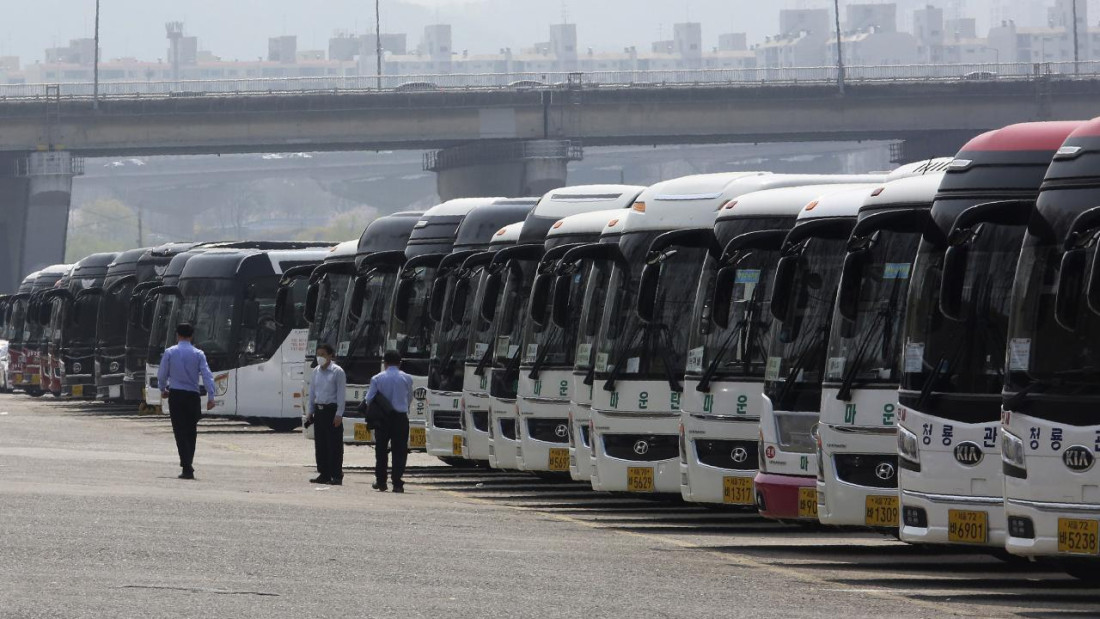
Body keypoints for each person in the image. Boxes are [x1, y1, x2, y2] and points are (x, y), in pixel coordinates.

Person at [158, 323, 216, 480]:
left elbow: (162, 373)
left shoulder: (170, 352)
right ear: (191, 336)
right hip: (193, 396)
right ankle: (188, 462)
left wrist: (163, 389)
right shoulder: (199, 354)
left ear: (177, 335)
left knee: (180, 431)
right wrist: (211, 396)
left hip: (176, 395)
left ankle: (186, 466)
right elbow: (207, 375)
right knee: (191, 431)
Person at [366, 349, 414, 492]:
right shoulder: (407, 378)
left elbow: (369, 399)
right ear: (400, 363)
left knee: (381, 450)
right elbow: (409, 397)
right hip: (400, 418)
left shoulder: (377, 378)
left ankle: (381, 481)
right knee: (400, 451)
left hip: (382, 418)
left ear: (384, 362)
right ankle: (397, 483)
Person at [307, 343, 346, 485]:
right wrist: (310, 411)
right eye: (318, 354)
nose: (320, 357)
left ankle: (336, 474)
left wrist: (339, 414)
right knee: (321, 444)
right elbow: (312, 393)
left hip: (332, 410)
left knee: (334, 445)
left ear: (330, 355)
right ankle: (324, 473)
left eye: (323, 354)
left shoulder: (337, 372)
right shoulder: (316, 371)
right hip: (319, 410)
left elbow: (341, 394)